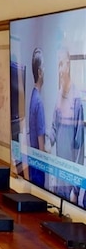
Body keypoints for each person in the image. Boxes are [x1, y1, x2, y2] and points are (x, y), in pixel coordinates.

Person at [47, 47, 84, 203]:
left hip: (69, 180)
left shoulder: (77, 101)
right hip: (58, 174)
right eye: (58, 65)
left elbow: (80, 149)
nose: (59, 70)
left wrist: (75, 190)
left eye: (61, 65)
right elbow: (54, 128)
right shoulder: (58, 95)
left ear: (68, 66)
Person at [28, 48, 46, 188]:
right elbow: (41, 147)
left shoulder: (32, 96)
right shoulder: (38, 101)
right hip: (38, 165)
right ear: (39, 72)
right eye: (43, 67)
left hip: (32, 162)